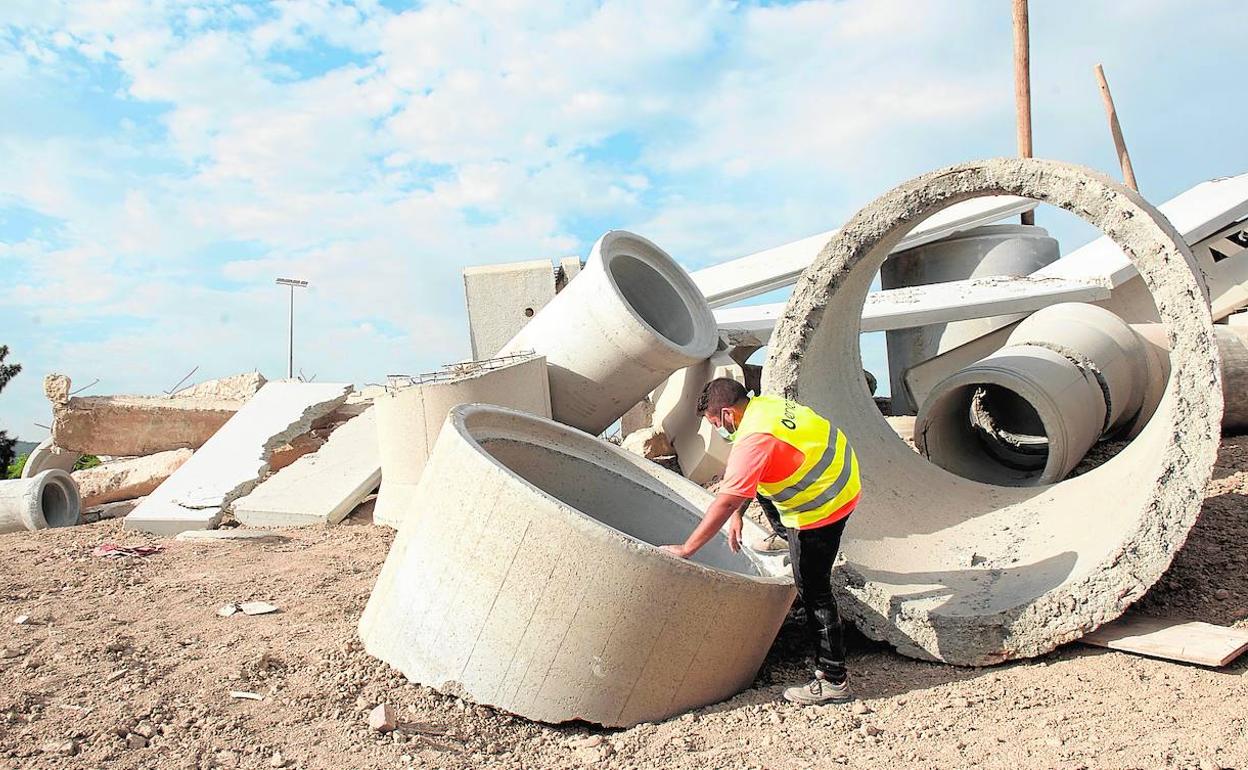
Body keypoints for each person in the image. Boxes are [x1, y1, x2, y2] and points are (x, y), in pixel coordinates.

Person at [661, 378, 861, 705]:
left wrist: (687, 549)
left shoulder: (753, 441)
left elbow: (725, 501)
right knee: (764, 485)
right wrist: (740, 511)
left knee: (814, 590)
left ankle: (833, 678)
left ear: (726, 415)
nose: (717, 430)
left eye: (714, 424)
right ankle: (785, 537)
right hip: (841, 476)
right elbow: (750, 479)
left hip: (822, 507)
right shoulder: (764, 408)